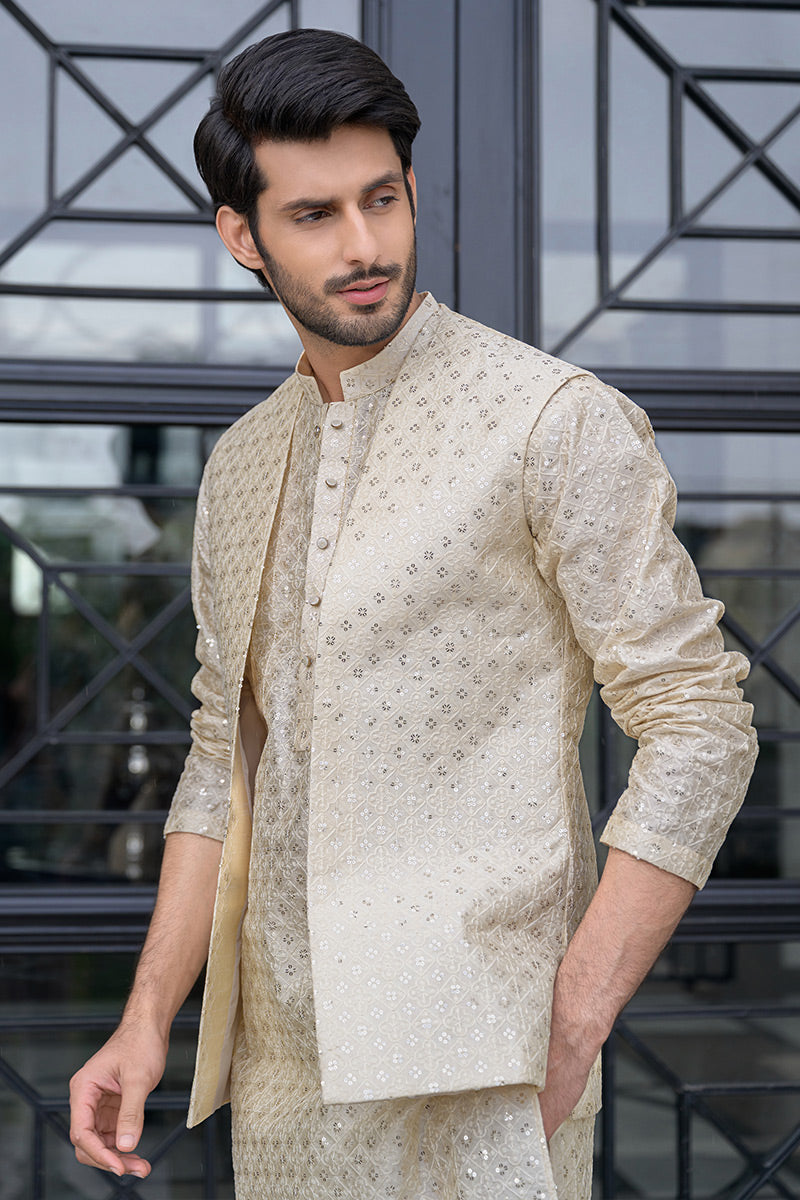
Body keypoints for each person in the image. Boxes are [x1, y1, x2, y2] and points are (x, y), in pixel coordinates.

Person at [68, 28, 758, 1200]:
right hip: (282, 1077)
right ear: (241, 235)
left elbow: (698, 723)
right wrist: (144, 1023)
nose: (363, 246)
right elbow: (220, 761)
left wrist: (573, 1022)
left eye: (380, 199)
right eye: (313, 215)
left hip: (485, 1067)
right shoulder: (239, 464)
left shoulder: (549, 419)